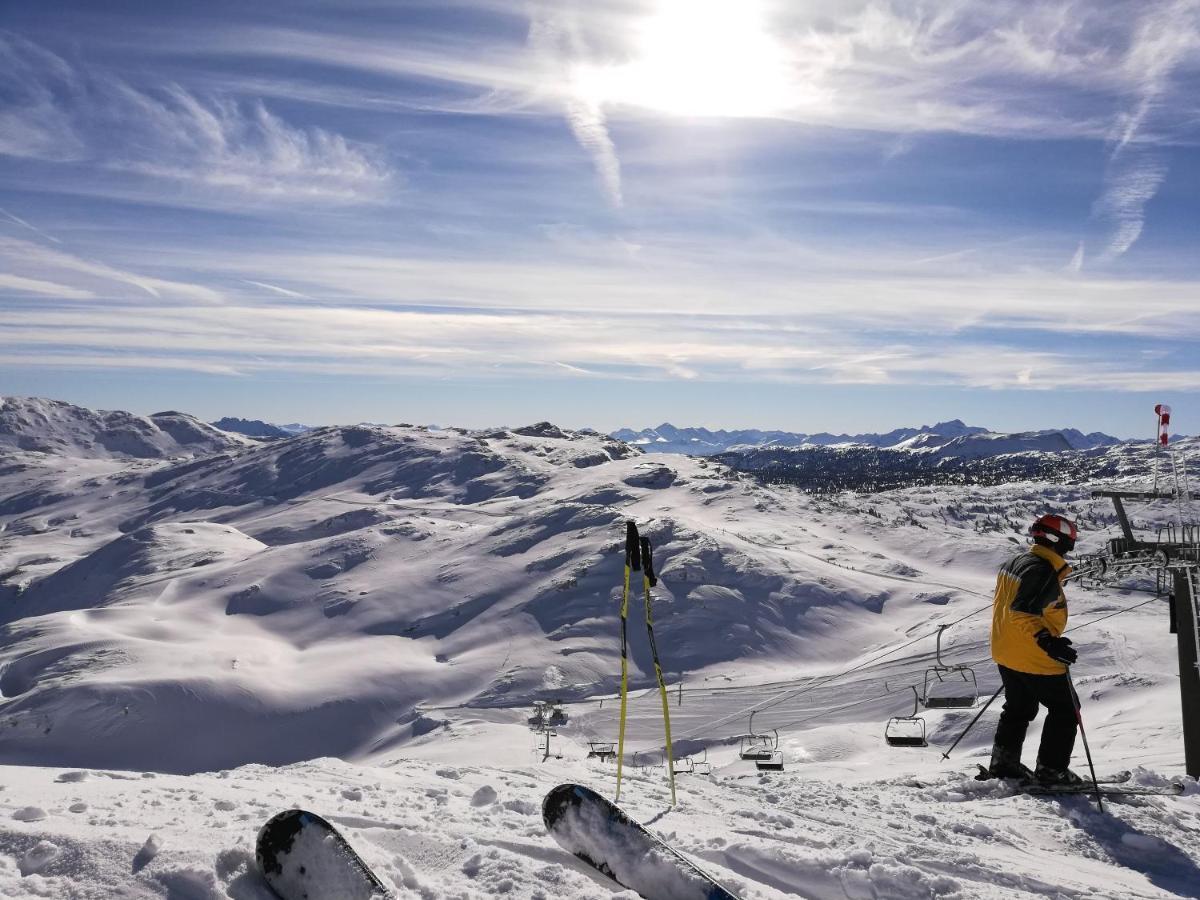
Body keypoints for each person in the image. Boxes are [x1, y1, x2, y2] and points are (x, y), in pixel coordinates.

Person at [988, 514, 1082, 784]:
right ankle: (1052, 771)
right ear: (1058, 542)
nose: (1069, 550)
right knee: (1066, 710)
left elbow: (1011, 608)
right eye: (1068, 544)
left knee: (1018, 708)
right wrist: (1047, 641)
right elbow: (1022, 611)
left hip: (1006, 651)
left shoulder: (1016, 561)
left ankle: (1004, 765)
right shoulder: (1041, 570)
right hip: (1035, 656)